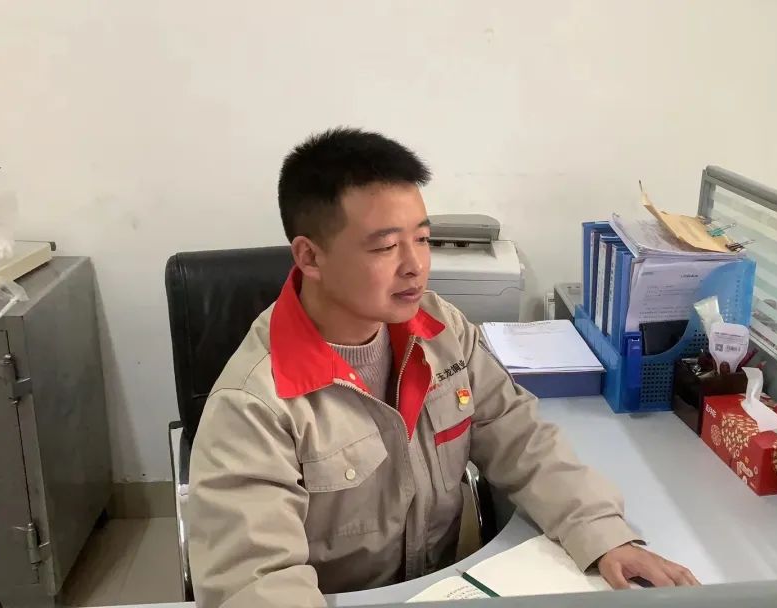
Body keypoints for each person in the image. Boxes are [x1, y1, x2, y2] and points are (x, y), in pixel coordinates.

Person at [187, 127, 699, 607]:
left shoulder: (439, 329)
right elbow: (256, 582)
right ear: (310, 258)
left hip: (448, 587)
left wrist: (604, 535)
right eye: (386, 246)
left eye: (423, 239)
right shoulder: (253, 404)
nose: (415, 265)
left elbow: (519, 437)